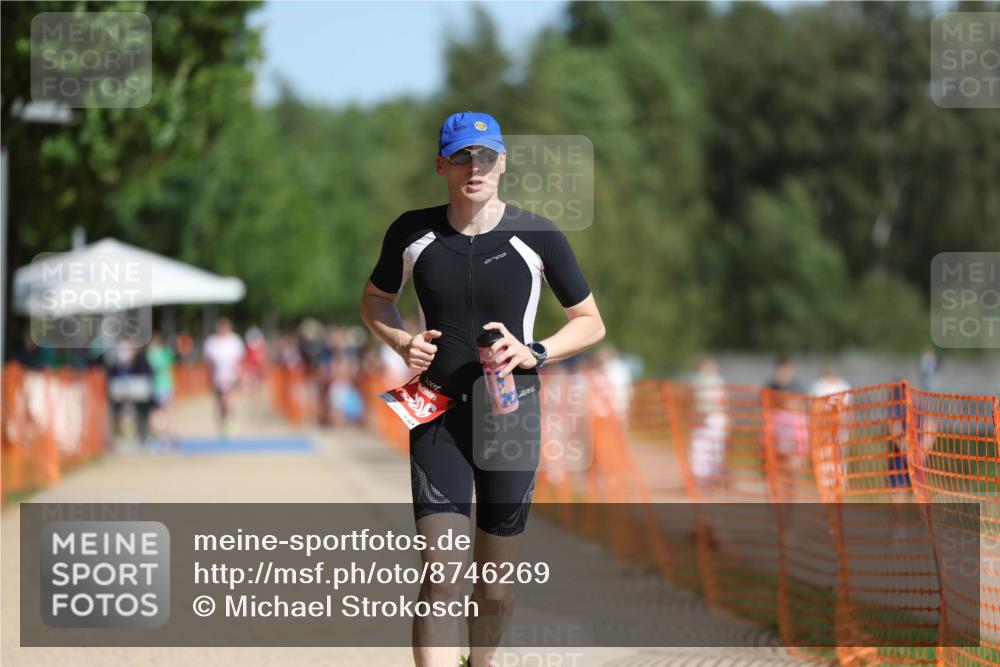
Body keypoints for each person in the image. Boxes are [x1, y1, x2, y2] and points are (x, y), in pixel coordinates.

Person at [360, 111, 605, 667]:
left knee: (494, 585)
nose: (475, 167)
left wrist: (535, 350)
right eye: (462, 156)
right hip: (436, 414)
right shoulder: (412, 231)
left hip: (510, 418)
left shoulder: (538, 234)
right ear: (441, 164)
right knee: (441, 575)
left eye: (486, 156)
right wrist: (401, 341)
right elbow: (374, 300)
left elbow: (590, 321)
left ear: (503, 163)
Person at [202, 317, 245, 437]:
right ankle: (223, 423)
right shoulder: (212, 342)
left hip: (232, 377)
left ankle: (229, 422)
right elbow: (208, 362)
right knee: (221, 403)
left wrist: (240, 377)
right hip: (218, 378)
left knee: (229, 402)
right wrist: (210, 376)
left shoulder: (235, 341)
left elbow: (239, 361)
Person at [146, 332, 177, 448]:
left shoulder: (149, 355)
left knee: (154, 412)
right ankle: (167, 437)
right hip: (165, 386)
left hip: (154, 387)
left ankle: (154, 436)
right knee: (167, 412)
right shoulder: (164, 354)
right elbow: (170, 367)